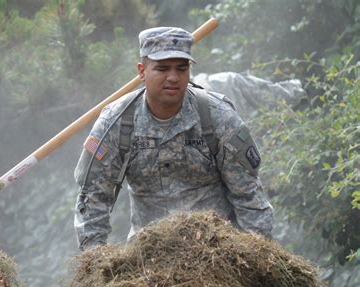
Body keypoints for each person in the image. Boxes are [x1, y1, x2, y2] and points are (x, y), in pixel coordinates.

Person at [74, 27, 274, 251]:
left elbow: (248, 195)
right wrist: (96, 261)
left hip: (219, 252)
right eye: (162, 68)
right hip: (146, 257)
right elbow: (93, 198)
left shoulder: (218, 117)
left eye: (181, 68)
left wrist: (256, 255)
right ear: (142, 71)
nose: (173, 77)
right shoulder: (116, 123)